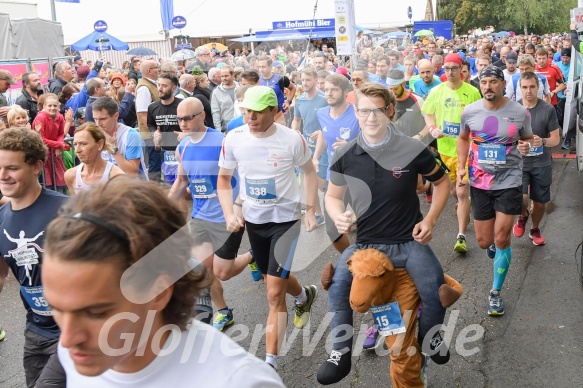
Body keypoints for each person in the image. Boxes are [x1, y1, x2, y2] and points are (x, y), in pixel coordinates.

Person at [41, 177, 284, 387]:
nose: (67, 338)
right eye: (57, 309)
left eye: (95, 312)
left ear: (158, 292)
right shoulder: (77, 352)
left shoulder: (240, 381)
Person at [317, 82, 451, 386]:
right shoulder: (345, 153)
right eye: (364, 111)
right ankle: (340, 353)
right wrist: (339, 216)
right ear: (356, 112)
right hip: (367, 248)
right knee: (338, 286)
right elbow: (332, 196)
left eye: (378, 110)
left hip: (408, 242)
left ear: (390, 110)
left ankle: (432, 339)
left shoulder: (411, 148)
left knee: (434, 288)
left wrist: (430, 220)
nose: (371, 118)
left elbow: (443, 183)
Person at [217, 86, 318, 370]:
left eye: (258, 112)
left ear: (274, 111)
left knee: (273, 292)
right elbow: (224, 180)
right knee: (273, 278)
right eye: (247, 111)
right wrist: (229, 213)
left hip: (285, 222)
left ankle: (270, 363)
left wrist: (310, 210)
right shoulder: (234, 138)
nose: (250, 117)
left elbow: (309, 172)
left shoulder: (291, 139)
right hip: (254, 221)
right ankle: (303, 295)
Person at [168, 97, 258, 332]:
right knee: (203, 269)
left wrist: (240, 207)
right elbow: (180, 182)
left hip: (227, 216)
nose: (183, 123)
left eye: (188, 117)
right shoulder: (183, 147)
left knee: (223, 272)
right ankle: (223, 311)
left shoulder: (223, 142)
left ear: (202, 116)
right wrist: (160, 208)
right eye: (179, 119)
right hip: (200, 216)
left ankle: (252, 256)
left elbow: (245, 173)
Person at [458, 66, 534, 316]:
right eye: (484, 82)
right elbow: (463, 138)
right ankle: (494, 247)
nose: (488, 86)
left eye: (493, 82)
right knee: (484, 242)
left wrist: (525, 147)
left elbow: (528, 139)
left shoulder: (520, 112)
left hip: (509, 181)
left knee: (502, 238)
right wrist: (460, 167)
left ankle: (495, 293)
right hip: (480, 182)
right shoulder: (469, 111)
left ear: (503, 84)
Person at [0, 128, 68, 388]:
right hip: (36, 330)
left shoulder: (66, 210)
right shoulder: (2, 218)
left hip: (73, 332)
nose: (3, 175)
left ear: (37, 166)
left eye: (12, 168)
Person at [422, 53, 481, 254]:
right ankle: (464, 206)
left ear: (461, 69)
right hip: (445, 150)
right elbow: (427, 112)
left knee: (462, 192)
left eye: (453, 68)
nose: (449, 72)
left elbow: (480, 117)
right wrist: (432, 129)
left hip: (465, 152)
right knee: (454, 192)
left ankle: (461, 236)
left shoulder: (472, 92)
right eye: (446, 68)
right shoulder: (437, 91)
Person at [514, 72, 561, 245]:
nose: (528, 91)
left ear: (538, 87)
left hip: (541, 163)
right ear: (520, 88)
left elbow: (556, 139)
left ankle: (534, 229)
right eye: (525, 87)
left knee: (540, 203)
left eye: (532, 87)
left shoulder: (548, 109)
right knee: (521, 199)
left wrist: (542, 141)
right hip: (519, 163)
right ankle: (523, 215)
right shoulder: (513, 109)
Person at [92, 96, 147, 179]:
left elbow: (131, 173)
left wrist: (113, 149)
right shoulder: (95, 135)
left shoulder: (131, 135)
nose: (98, 124)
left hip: (134, 188)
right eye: (95, 119)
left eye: (102, 119)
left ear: (116, 116)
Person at [64, 123, 124, 194]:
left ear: (99, 144)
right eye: (75, 144)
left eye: (83, 144)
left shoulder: (116, 177)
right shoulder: (70, 175)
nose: (77, 150)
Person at [32, 93, 73, 192]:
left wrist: (59, 145)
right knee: (47, 184)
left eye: (55, 106)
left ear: (58, 106)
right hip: (44, 155)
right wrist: (59, 145)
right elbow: (41, 139)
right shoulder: (40, 118)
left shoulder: (59, 117)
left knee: (60, 182)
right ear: (44, 106)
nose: (52, 108)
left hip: (55, 155)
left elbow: (61, 133)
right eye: (49, 106)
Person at [147, 73, 181, 184]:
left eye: (164, 86)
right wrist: (154, 133)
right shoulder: (152, 107)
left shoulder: (182, 105)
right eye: (159, 85)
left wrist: (187, 134)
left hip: (182, 152)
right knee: (170, 184)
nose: (160, 89)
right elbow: (150, 124)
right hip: (164, 153)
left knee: (183, 186)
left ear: (173, 88)